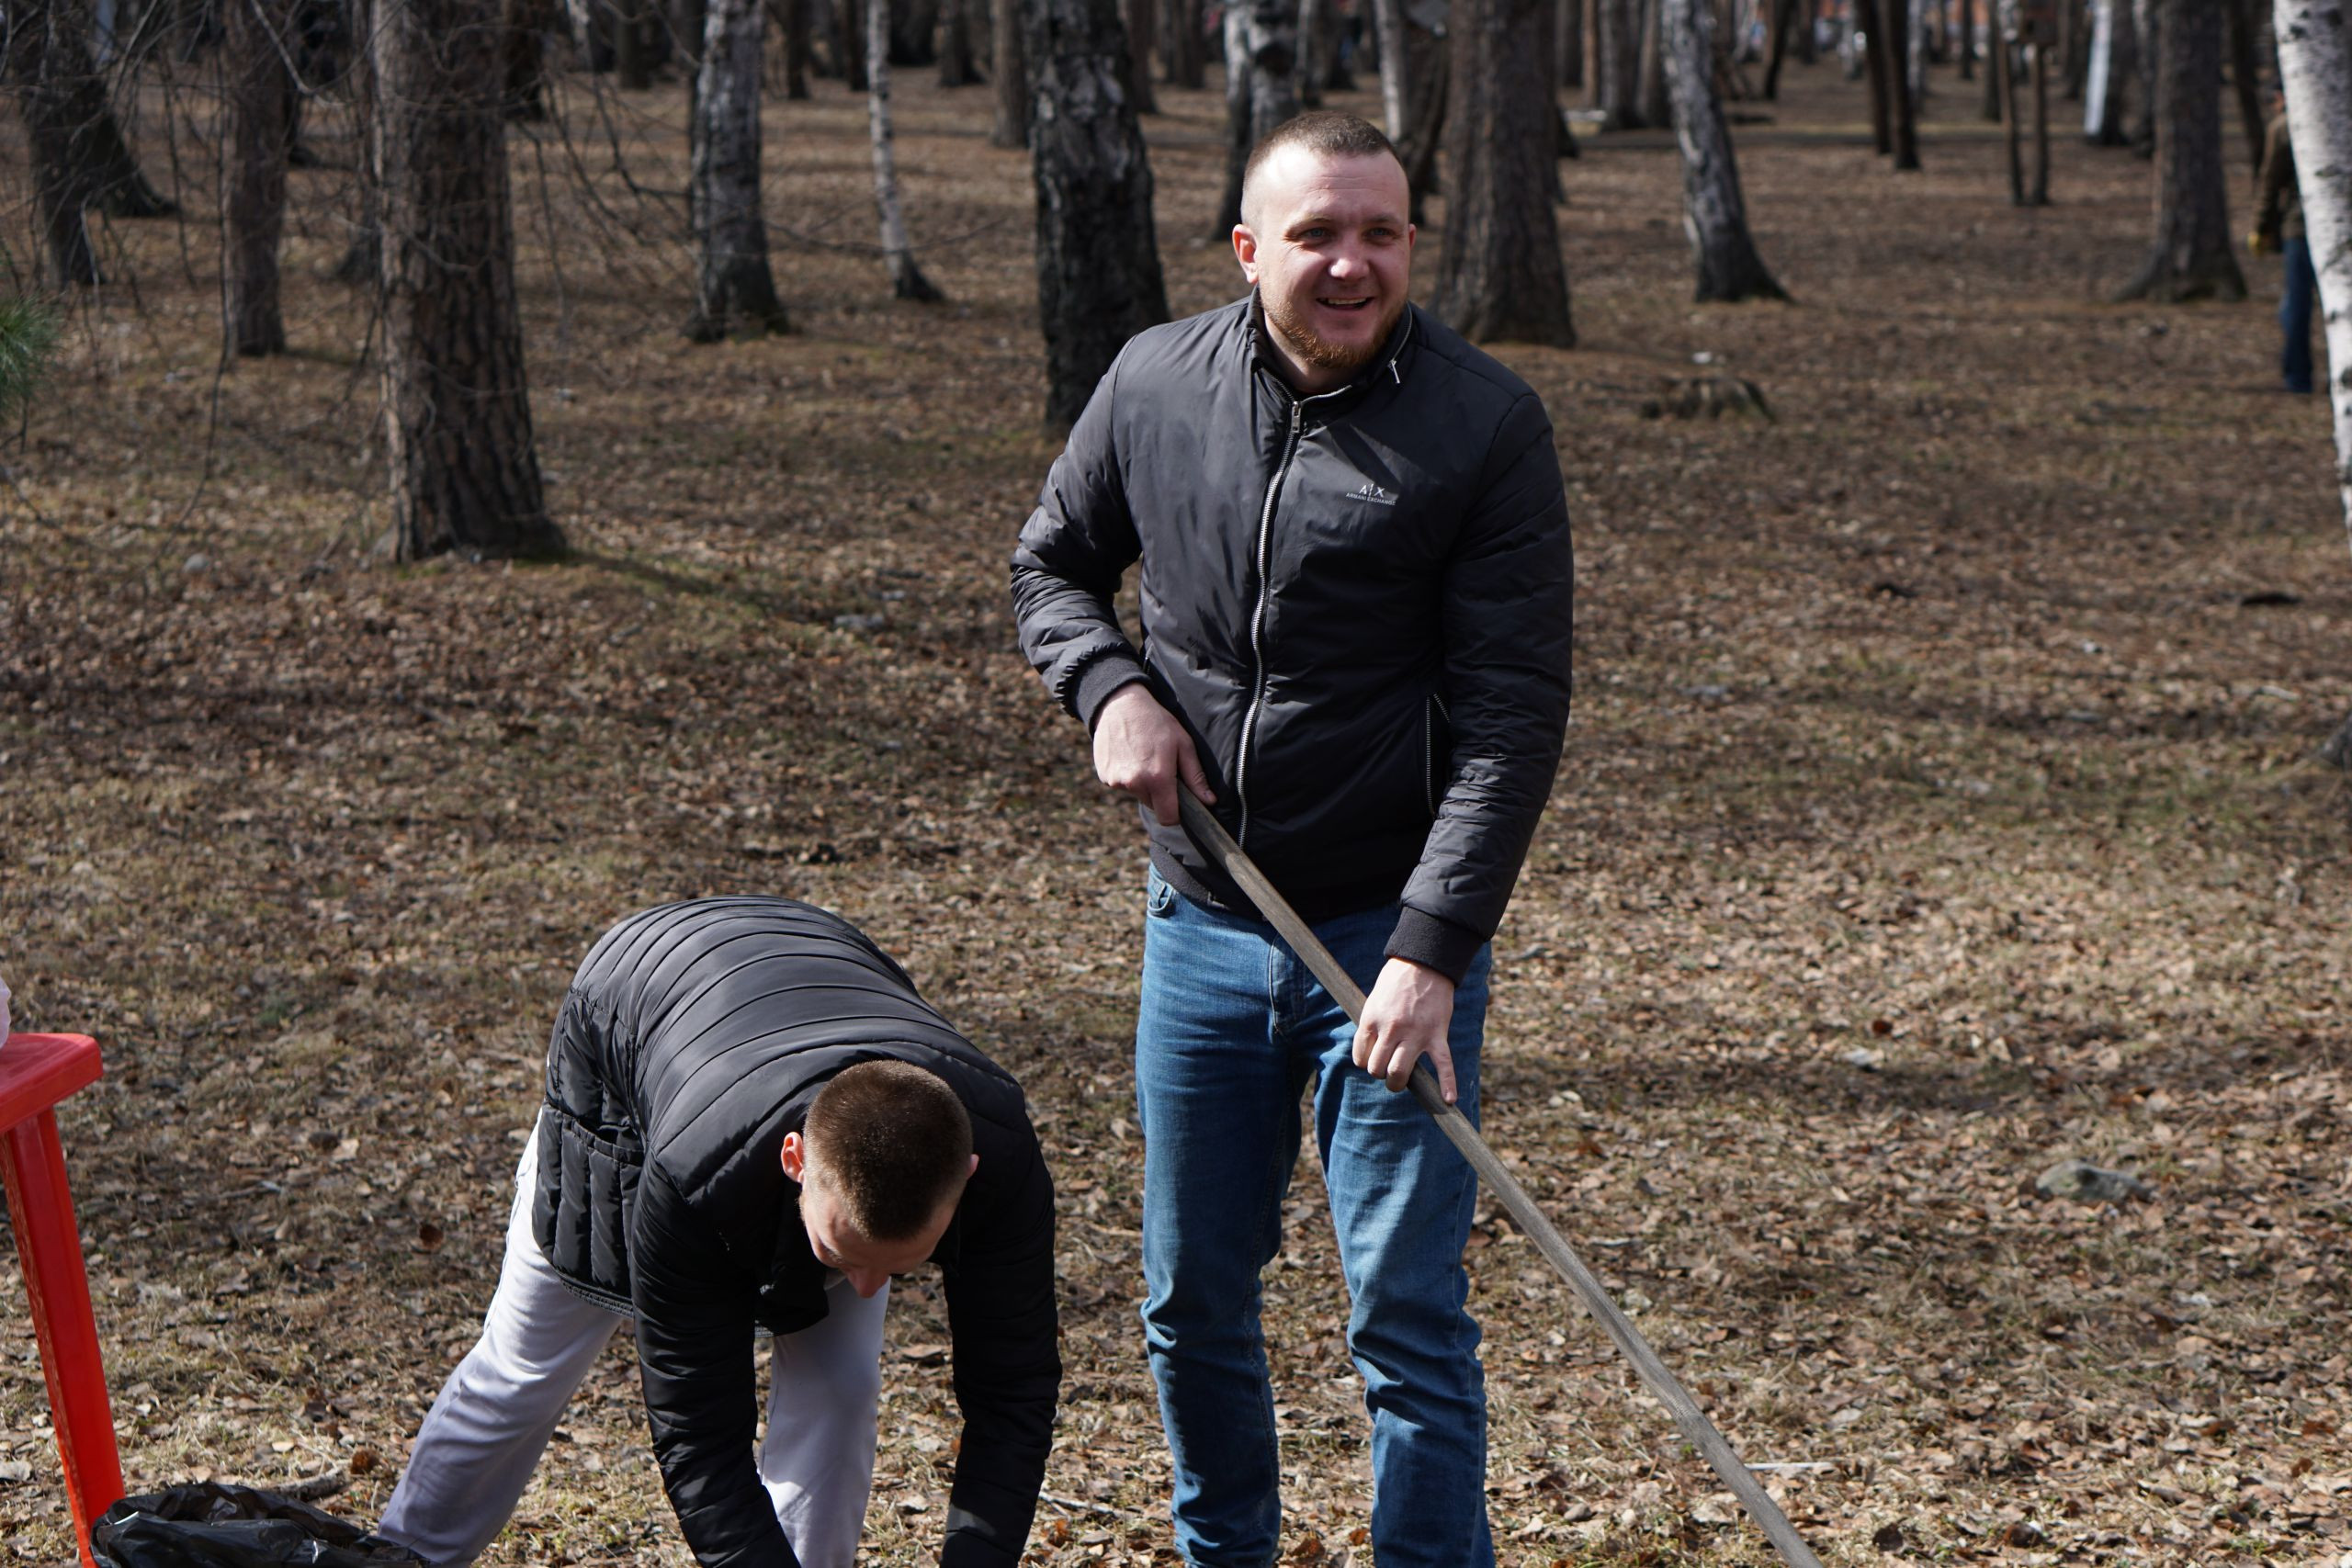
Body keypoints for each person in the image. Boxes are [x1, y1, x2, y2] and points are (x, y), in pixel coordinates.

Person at [1009, 111, 1572, 1568]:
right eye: (1319, 232)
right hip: (1202, 921)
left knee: (1404, 1312)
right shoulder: (1154, 383)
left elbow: (1512, 716)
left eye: (1381, 232)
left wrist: (1435, 951)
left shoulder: (1483, 424)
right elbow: (1053, 565)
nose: (1353, 262)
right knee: (1193, 1298)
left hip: (1387, 937)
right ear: (1251, 249)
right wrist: (1110, 686)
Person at [377, 897, 1059, 1568]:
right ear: (797, 1160)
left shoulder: (996, 1153)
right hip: (629, 1024)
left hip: (801, 980)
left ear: (965, 1176)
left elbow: (1013, 1396)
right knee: (526, 1365)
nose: (868, 1286)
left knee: (841, 1383)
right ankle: (406, 1553)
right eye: (843, 1253)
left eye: (904, 1266)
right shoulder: (691, 1172)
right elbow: (700, 1436)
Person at [2254, 94, 2317, 396]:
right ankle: (2299, 375)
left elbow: (2269, 182)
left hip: (2301, 230)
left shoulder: (2285, 126)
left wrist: (2260, 226)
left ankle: (2298, 377)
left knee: (2296, 305)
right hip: (2304, 229)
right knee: (2298, 305)